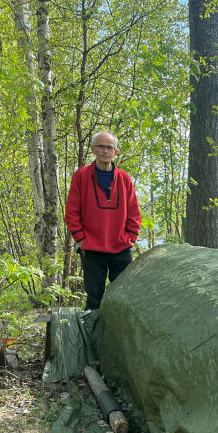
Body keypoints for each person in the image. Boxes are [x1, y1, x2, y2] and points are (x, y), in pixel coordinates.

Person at [64, 131, 142, 309]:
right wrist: (81, 239)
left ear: (115, 152)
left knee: (123, 298)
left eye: (109, 147)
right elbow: (71, 212)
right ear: (93, 149)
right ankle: (93, 336)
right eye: (101, 146)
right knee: (94, 299)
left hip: (121, 248)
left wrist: (131, 238)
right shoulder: (81, 176)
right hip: (92, 249)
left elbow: (134, 212)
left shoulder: (124, 178)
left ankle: (118, 336)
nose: (105, 151)